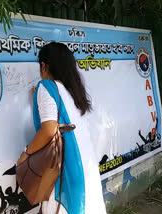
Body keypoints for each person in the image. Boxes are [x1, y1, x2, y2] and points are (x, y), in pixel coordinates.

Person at [17, 42, 107, 214]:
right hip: (84, 166)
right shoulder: (73, 91)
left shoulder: (47, 87)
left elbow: (49, 129)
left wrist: (26, 154)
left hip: (65, 167)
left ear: (44, 65)